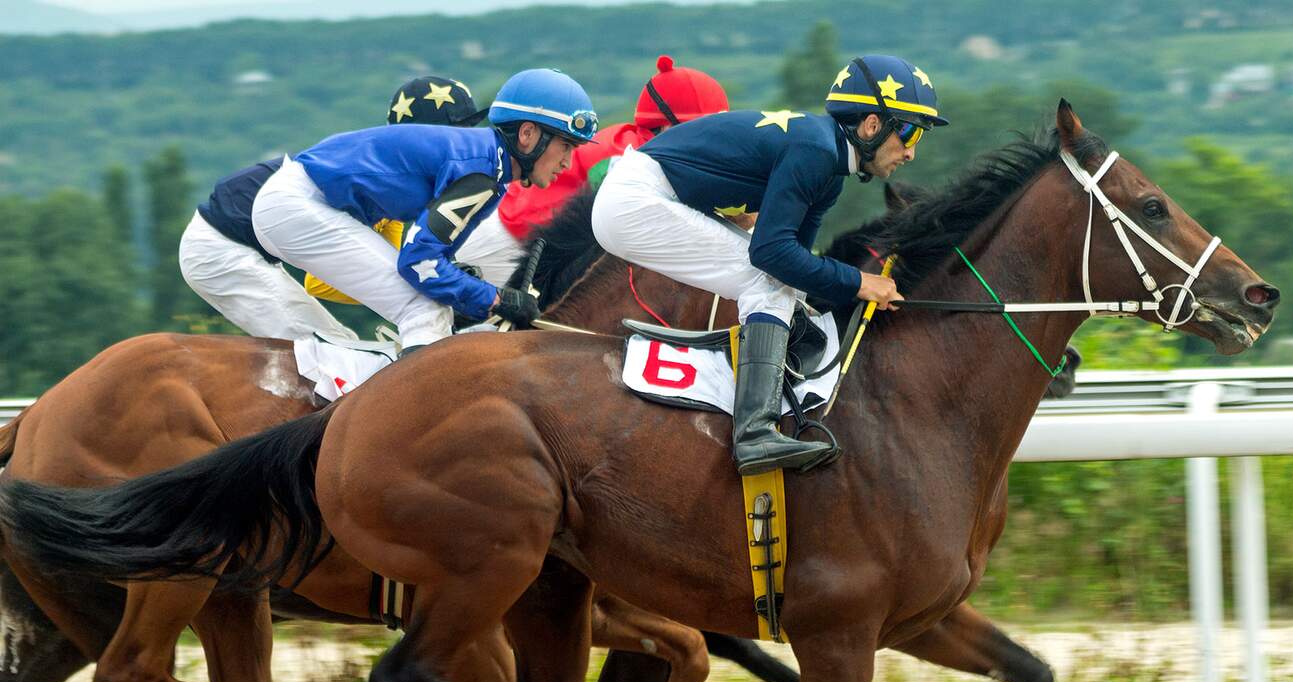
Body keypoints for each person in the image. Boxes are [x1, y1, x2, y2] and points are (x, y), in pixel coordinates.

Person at [592, 55, 946, 474]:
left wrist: (852, 291)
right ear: (871, 125)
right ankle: (754, 432)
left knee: (784, 286)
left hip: (647, 194)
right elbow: (772, 258)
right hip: (635, 200)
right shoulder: (816, 151)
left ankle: (763, 407)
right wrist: (860, 282)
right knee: (770, 282)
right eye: (909, 132)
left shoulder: (829, 169)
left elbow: (796, 262)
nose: (910, 151)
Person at [249, 69, 597, 351]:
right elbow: (418, 263)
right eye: (565, 145)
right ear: (527, 134)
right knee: (423, 308)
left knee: (430, 304)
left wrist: (474, 291)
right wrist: (496, 298)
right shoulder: (482, 172)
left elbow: (428, 258)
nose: (568, 162)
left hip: (294, 204)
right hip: (298, 206)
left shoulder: (489, 167)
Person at [178, 76, 483, 341]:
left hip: (239, 240)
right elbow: (321, 284)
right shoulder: (384, 182)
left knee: (342, 345)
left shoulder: (392, 173)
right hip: (221, 250)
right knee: (327, 350)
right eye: (460, 136)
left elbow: (388, 268)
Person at [455, 55, 729, 284]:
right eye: (705, 131)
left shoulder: (638, 144)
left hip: (523, 232)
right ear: (669, 126)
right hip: (508, 242)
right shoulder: (629, 157)